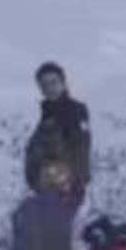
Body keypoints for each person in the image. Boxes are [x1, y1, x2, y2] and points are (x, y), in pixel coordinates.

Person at [25, 62, 91, 207]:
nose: (49, 88)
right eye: (44, 85)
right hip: (47, 190)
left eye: (53, 83)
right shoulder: (47, 115)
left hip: (67, 191)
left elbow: (80, 149)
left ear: (63, 83)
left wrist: (75, 184)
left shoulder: (74, 111)